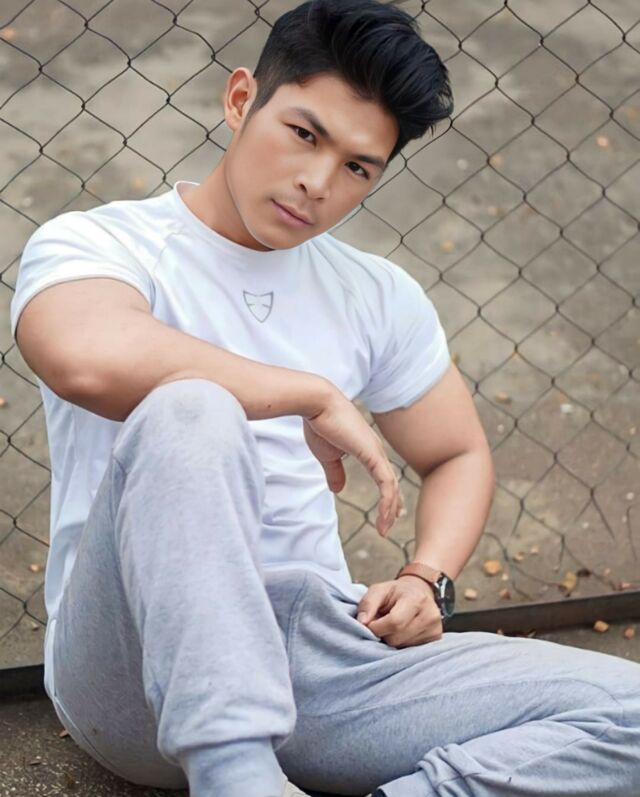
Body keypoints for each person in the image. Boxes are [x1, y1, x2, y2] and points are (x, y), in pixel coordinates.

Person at [9, 0, 640, 795]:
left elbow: (456, 452)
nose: (317, 182)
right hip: (131, 662)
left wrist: (427, 578)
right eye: (304, 134)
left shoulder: (374, 293)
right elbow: (84, 357)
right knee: (190, 406)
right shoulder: (102, 243)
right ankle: (236, 773)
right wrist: (306, 393)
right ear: (241, 99)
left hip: (315, 656)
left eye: (357, 168)